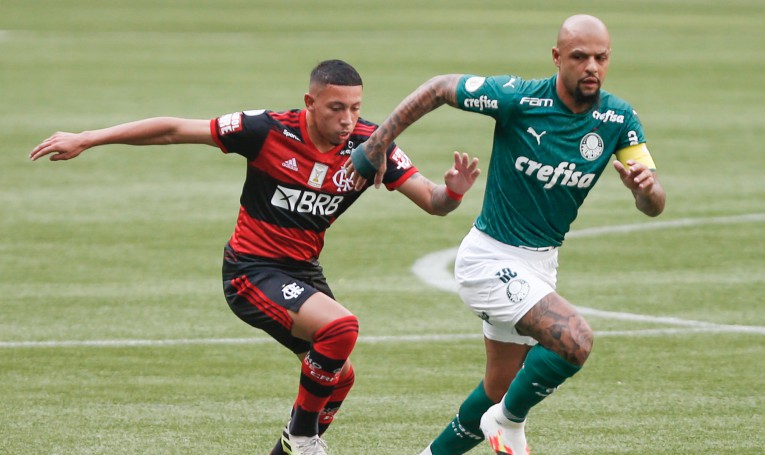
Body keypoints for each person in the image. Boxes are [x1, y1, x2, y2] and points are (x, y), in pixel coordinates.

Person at [29, 59, 481, 455]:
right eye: (336, 108)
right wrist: (88, 138)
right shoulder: (266, 129)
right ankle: (302, 438)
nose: (348, 119)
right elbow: (174, 129)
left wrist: (454, 192)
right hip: (250, 270)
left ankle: (290, 447)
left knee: (338, 377)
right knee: (341, 327)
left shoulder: (370, 147)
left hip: (303, 271)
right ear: (310, 101)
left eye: (356, 108)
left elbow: (432, 201)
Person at [349, 15, 666, 455]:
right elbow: (440, 86)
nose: (591, 66)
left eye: (601, 57)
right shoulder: (519, 99)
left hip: (541, 265)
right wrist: (378, 142)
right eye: (579, 57)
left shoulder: (618, 118)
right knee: (575, 340)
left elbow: (654, 203)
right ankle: (507, 423)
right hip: (488, 260)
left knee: (497, 386)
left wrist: (646, 191)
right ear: (557, 58)